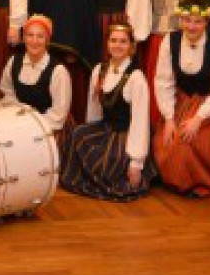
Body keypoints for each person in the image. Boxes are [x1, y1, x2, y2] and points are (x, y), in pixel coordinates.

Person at [60, 23, 156, 201]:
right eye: (113, 40)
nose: (117, 45)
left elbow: (140, 123)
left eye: (123, 42)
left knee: (111, 158)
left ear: (131, 46)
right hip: (106, 128)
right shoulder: (99, 70)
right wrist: (92, 138)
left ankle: (113, 177)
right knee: (77, 134)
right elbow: (94, 109)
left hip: (127, 134)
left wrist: (136, 163)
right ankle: (89, 177)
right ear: (107, 43)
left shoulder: (136, 78)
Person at [153, 0, 210, 197]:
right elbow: (163, 81)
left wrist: (198, 118)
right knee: (166, 143)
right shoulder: (170, 41)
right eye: (187, 20)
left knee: (187, 146)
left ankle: (197, 183)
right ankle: (176, 179)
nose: (191, 26)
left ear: (206, 22)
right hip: (181, 101)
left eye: (197, 21)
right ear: (180, 20)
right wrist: (169, 118)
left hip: (209, 106)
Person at [0, 15, 72, 138]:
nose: (34, 41)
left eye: (40, 36)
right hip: (19, 122)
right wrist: (18, 118)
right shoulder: (13, 61)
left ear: (47, 40)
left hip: (49, 128)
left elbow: (58, 115)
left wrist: (31, 126)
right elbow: (8, 95)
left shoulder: (58, 71)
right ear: (24, 38)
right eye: (30, 35)